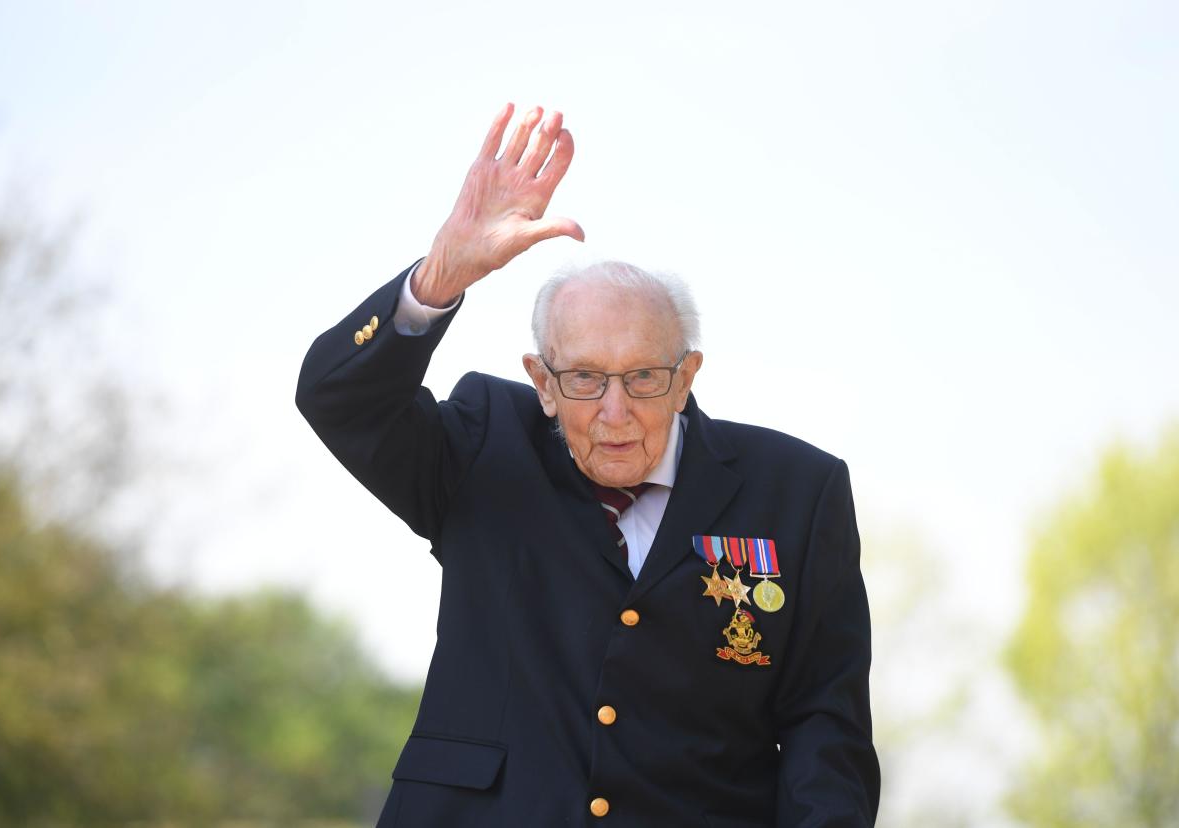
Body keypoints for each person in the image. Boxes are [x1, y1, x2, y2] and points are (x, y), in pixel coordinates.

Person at [296, 104, 879, 827]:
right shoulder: (484, 445)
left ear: (687, 374)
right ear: (541, 381)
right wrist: (440, 276)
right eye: (584, 380)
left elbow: (827, 726)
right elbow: (338, 399)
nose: (615, 410)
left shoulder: (797, 492)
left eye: (643, 379)